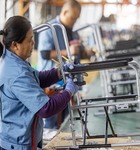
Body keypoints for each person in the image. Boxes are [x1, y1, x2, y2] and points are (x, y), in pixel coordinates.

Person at [0, 16, 80, 150]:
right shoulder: (16, 73)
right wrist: (69, 91)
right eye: (29, 39)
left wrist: (60, 71)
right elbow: (46, 108)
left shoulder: (15, 61)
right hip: (18, 144)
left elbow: (38, 78)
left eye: (33, 38)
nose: (33, 43)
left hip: (24, 138)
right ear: (15, 45)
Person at [37, 0, 95, 129]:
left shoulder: (72, 31)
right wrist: (67, 51)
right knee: (50, 121)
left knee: (66, 120)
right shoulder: (50, 28)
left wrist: (86, 52)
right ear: (64, 12)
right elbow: (44, 54)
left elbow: (77, 54)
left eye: (76, 19)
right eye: (73, 18)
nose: (74, 21)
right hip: (52, 84)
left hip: (68, 82)